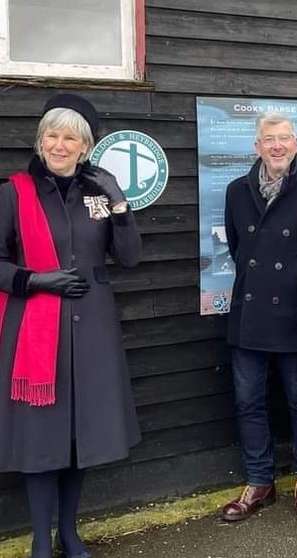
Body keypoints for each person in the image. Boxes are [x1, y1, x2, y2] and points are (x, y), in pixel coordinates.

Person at [0, 94, 142, 558]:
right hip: (35, 331)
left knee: (83, 434)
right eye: (52, 136)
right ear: (41, 142)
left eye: (70, 138)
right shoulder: (13, 192)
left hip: (92, 330)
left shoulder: (99, 193)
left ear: (85, 146)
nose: (59, 145)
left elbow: (129, 258)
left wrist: (120, 205)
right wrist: (33, 279)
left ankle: (69, 533)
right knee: (42, 438)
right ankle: (41, 540)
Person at [221, 113, 297, 522]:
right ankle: (259, 480)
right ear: (256, 147)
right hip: (249, 317)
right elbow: (238, 248)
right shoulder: (237, 191)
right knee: (248, 401)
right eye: (268, 139)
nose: (276, 146)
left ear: (295, 144)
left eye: (284, 139)